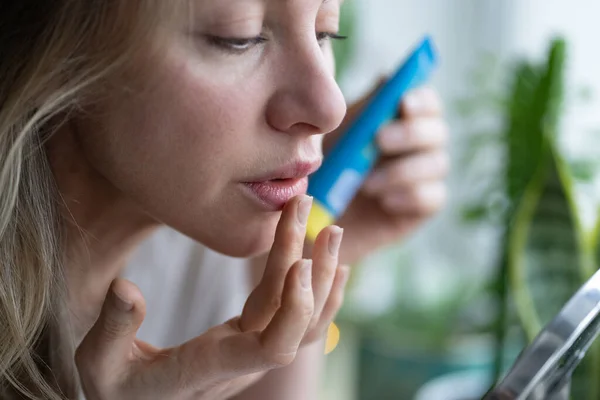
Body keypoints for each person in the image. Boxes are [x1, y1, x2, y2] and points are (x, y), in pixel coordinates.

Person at [0, 1, 449, 399]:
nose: (329, 106)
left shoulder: (203, 255)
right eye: (239, 37)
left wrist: (302, 263)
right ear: (63, 50)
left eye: (325, 31)